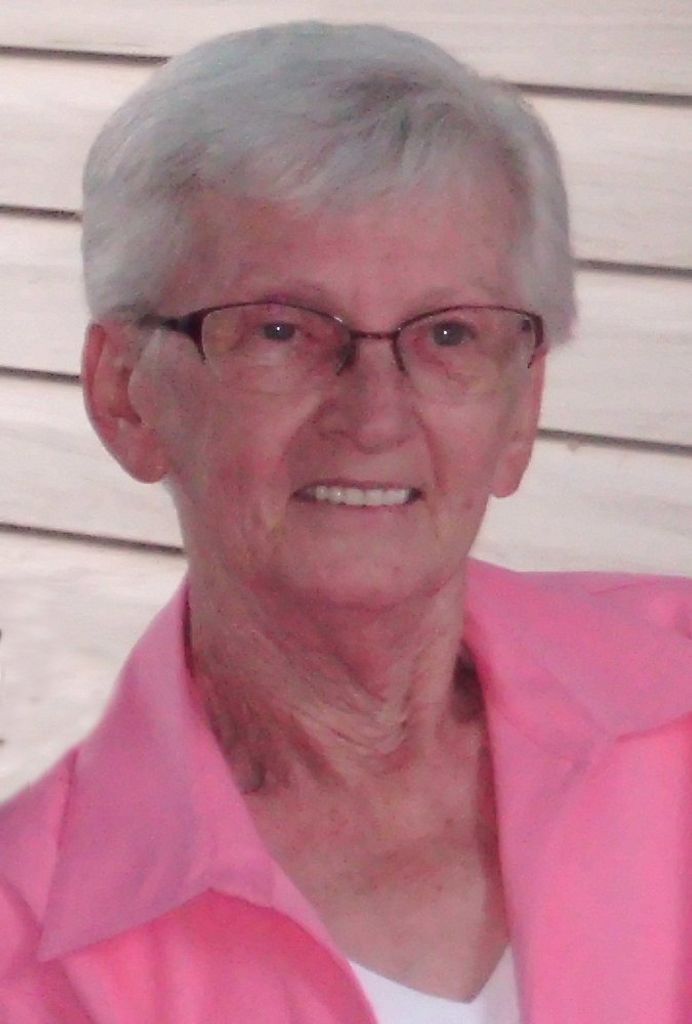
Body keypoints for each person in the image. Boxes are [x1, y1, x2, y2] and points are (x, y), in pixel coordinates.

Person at [1, 20, 690, 1024]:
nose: (374, 415)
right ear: (126, 396)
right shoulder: (31, 945)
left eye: (448, 333)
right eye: (282, 330)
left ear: (522, 408)